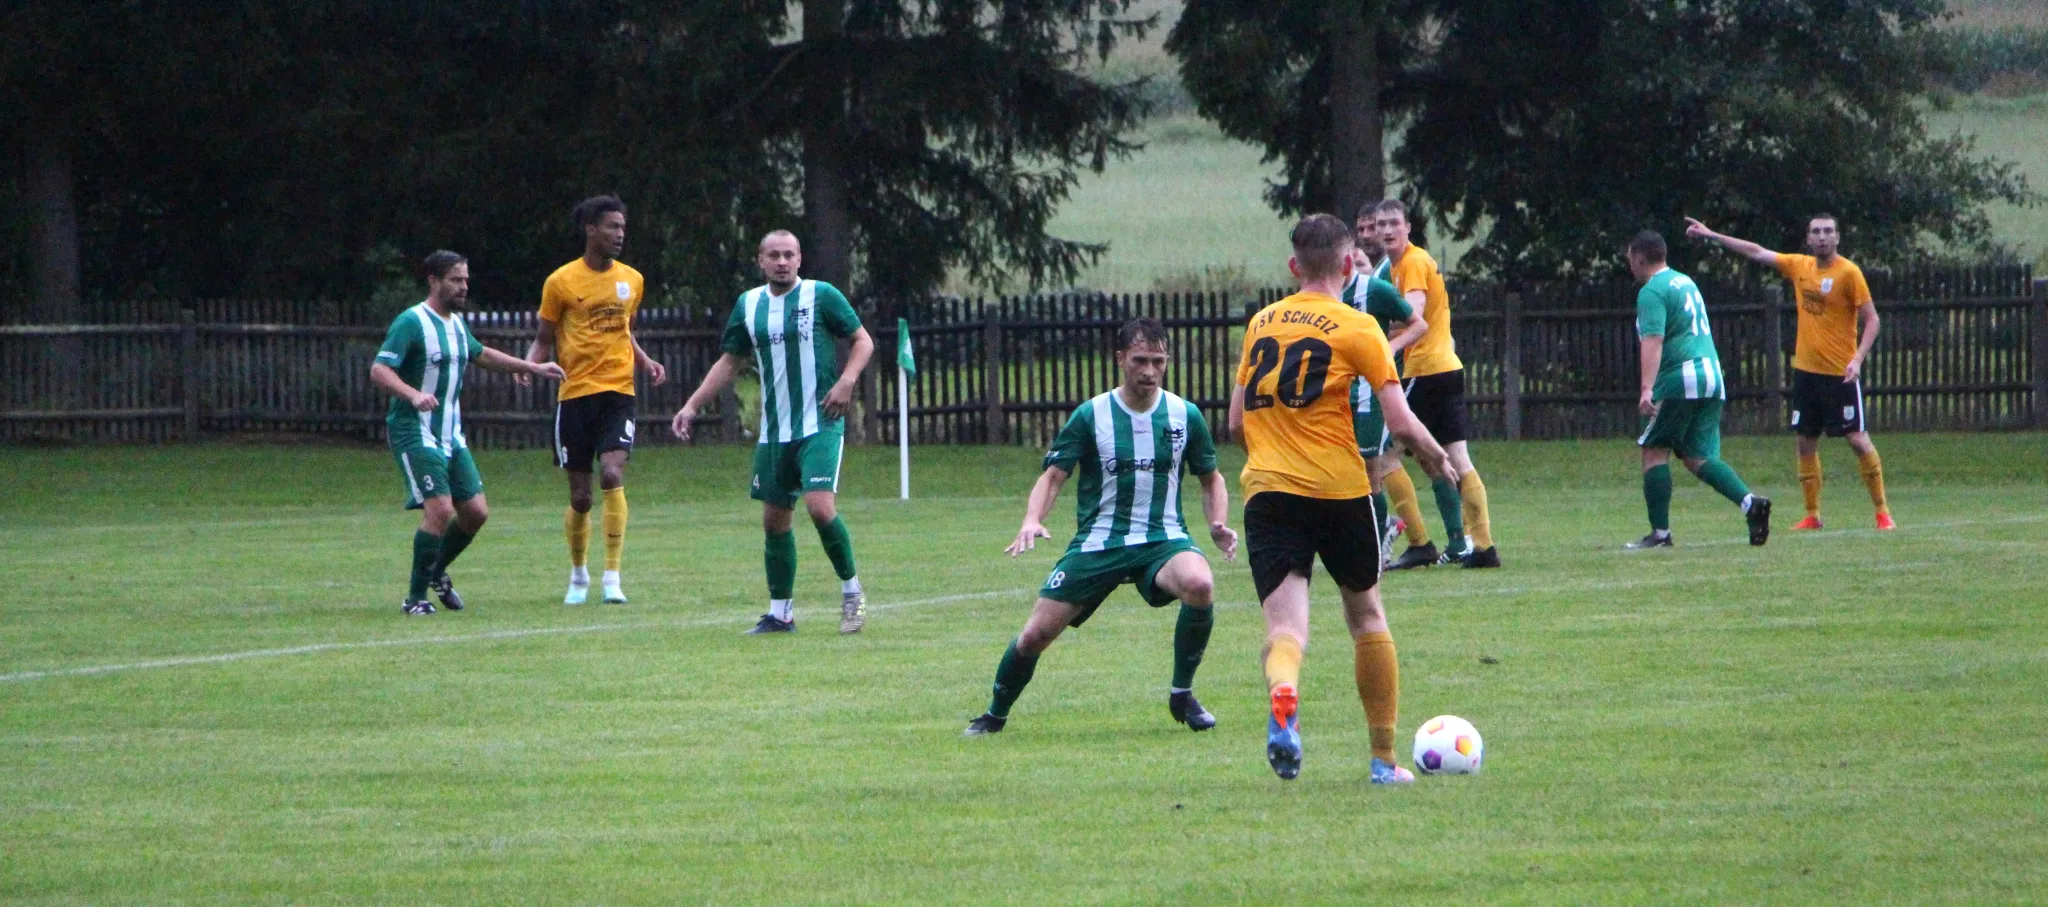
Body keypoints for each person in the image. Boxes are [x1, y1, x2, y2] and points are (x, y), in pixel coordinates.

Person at [1229, 213, 1456, 783]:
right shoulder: (1359, 328)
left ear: (1293, 265)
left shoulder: (1261, 323)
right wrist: (1434, 457)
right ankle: (1383, 762)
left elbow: (1235, 422)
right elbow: (1399, 420)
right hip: (1339, 488)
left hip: (1269, 491)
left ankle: (1285, 692)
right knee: (1367, 616)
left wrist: (1272, 450)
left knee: (1285, 631)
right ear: (1352, 261)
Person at [963, 318, 1238, 736]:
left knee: (1200, 583)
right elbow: (1055, 475)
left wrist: (1218, 523)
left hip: (1162, 539)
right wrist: (1032, 519)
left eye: (1158, 361)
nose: (1149, 371)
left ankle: (1182, 694)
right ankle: (994, 715)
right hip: (1099, 543)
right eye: (1141, 360)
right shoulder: (1092, 415)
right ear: (1120, 359)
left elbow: (1211, 478)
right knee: (1036, 634)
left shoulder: (1185, 415)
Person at [672, 230, 876, 634]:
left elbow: (862, 341)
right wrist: (692, 405)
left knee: (820, 507)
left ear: (800, 259)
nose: (782, 262)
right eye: (774, 255)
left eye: (789, 255)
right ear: (760, 260)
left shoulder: (822, 295)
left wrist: (848, 380)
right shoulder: (749, 305)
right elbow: (729, 363)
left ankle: (853, 593)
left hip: (820, 423)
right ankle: (780, 614)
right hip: (774, 431)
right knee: (774, 521)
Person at [370, 251, 565, 615]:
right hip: (415, 430)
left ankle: (436, 570)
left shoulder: (456, 325)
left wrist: (531, 367)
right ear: (434, 281)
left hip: (450, 434)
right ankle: (415, 599)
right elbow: (380, 370)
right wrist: (413, 395)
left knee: (475, 512)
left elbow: (481, 354)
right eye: (456, 279)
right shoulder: (411, 322)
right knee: (441, 509)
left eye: (465, 279)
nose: (464, 286)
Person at [1685, 214, 1892, 530]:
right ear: (1808, 239)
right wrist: (1713, 235)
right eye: (1815, 232)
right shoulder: (1800, 266)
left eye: (1828, 231)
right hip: (1807, 373)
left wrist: (1858, 359)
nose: (1822, 237)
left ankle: (1882, 512)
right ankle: (1812, 514)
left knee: (1857, 439)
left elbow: (1873, 320)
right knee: (1805, 442)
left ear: (1837, 238)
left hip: (1841, 373)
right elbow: (1755, 251)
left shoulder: (1849, 273)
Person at [529, 195, 667, 606]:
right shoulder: (560, 282)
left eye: (623, 227)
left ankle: (612, 577)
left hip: (618, 393)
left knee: (611, 473)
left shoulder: (633, 280)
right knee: (581, 497)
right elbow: (543, 338)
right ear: (591, 229)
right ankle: (578, 575)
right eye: (612, 227)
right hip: (574, 396)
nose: (620, 234)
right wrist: (529, 365)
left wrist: (643, 360)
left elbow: (625, 329)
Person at [1621, 231, 1772, 550]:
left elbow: (1653, 339)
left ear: (1638, 258)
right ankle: (1750, 503)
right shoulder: (1684, 281)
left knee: (1654, 450)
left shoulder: (1652, 290)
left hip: (1682, 378)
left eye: (1629, 260)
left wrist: (1647, 387)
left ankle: (1660, 535)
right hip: (1712, 375)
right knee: (1696, 455)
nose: (1629, 267)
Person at [1373, 200, 1500, 568]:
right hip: (1444, 369)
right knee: (1448, 460)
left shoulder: (1412, 262)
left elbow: (1412, 317)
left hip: (1426, 373)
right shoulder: (1399, 265)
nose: (1386, 230)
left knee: (1381, 452)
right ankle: (1481, 546)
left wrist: (1378, 341)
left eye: (1393, 223)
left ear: (1408, 227)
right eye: (1381, 224)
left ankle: (1420, 541)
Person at [1347, 203, 1464, 567]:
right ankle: (1423, 539)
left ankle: (1446, 539)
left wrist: (1384, 347)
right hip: (1400, 374)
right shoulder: (1386, 269)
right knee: (1390, 458)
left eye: (1382, 225)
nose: (1374, 233)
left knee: (1391, 458)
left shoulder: (1396, 270)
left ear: (1406, 226)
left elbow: (1414, 318)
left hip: (1408, 374)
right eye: (1367, 227)